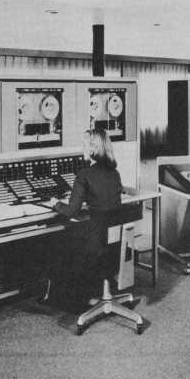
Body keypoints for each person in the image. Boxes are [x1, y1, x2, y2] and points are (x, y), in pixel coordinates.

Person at [39, 127, 123, 309]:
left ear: (93, 149)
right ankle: (96, 290)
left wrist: (55, 203)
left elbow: (71, 211)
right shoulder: (115, 174)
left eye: (84, 145)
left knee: (55, 241)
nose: (82, 149)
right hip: (113, 247)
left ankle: (59, 298)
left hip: (95, 248)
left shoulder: (84, 175)